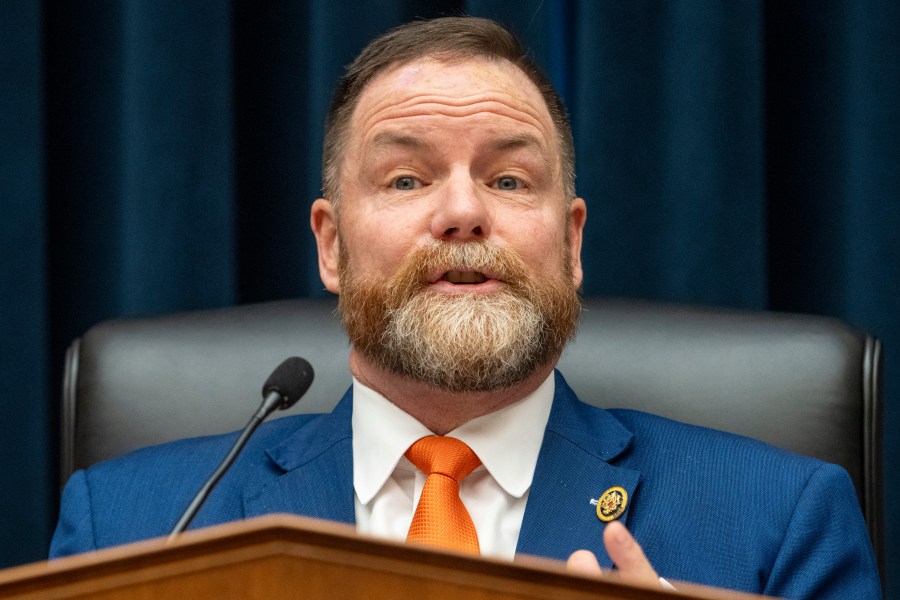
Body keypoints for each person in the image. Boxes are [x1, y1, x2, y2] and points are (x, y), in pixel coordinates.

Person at [50, 16, 881, 599]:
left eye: (509, 179)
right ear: (330, 245)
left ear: (572, 242)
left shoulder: (780, 523)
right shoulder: (133, 530)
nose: (462, 212)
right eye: (406, 179)